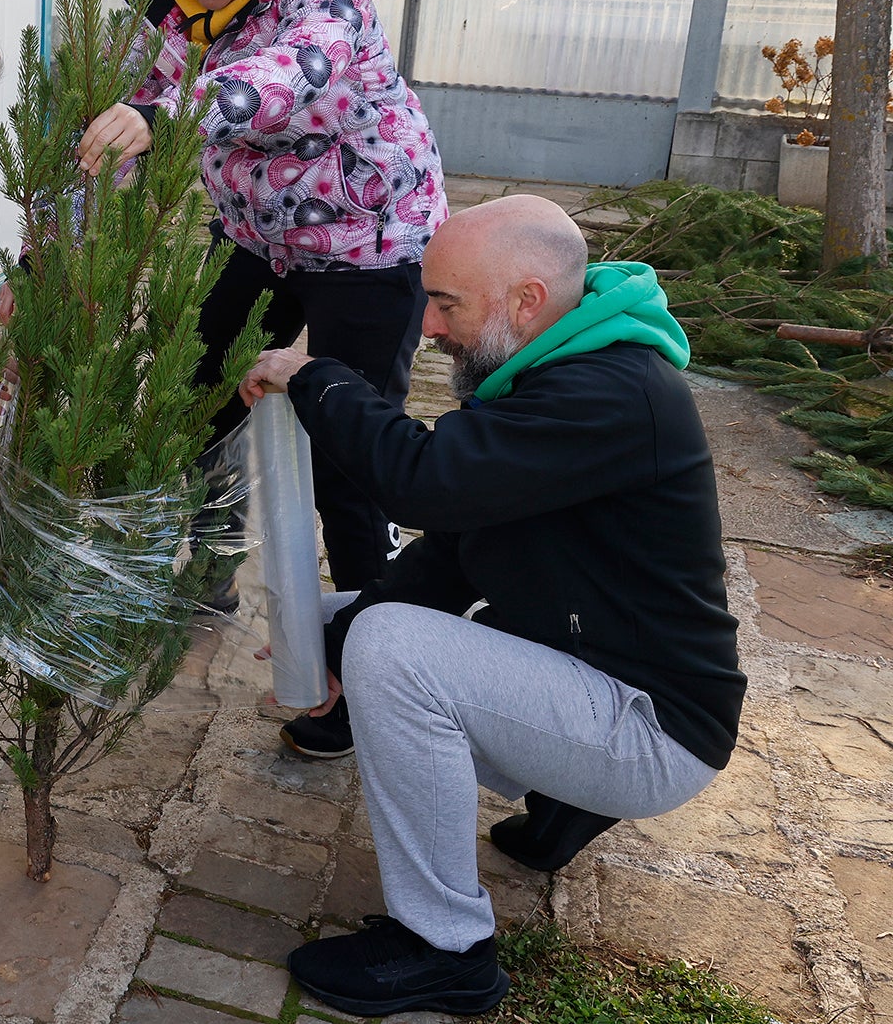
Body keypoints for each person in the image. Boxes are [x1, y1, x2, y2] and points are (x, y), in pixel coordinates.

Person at [238, 195, 745, 1017]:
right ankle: (566, 803)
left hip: (652, 726)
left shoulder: (610, 394)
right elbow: (455, 548)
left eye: (446, 303)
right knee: (353, 620)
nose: (430, 327)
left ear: (526, 302)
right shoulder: (555, 372)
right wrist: (333, 647)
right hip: (601, 677)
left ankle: (444, 948)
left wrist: (317, 378)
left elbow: (425, 482)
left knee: (395, 648)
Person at [75, 0, 448, 761]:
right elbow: (109, 112)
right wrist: (58, 257)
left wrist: (163, 114)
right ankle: (201, 574)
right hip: (258, 237)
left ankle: (364, 680)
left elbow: (301, 74)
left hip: (368, 239)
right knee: (192, 399)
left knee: (349, 457)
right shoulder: (174, 7)